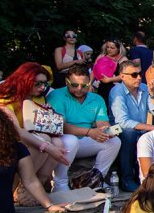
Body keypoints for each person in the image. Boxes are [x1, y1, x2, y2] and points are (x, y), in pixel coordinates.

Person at [0, 63, 69, 186]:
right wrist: (47, 147)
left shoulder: (36, 98)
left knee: (58, 142)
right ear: (24, 80)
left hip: (18, 140)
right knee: (44, 140)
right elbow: (17, 131)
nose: (42, 88)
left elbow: (49, 127)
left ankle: (38, 183)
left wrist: (47, 115)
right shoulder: (4, 98)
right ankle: (21, 186)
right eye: (38, 83)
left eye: (45, 84)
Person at [47, 64, 121, 192]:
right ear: (67, 82)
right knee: (71, 140)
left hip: (85, 140)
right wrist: (89, 132)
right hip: (64, 141)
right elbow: (60, 126)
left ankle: (96, 179)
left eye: (84, 86)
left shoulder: (97, 99)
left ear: (89, 83)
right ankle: (60, 183)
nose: (79, 89)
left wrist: (108, 131)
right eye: (75, 85)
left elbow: (102, 122)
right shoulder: (56, 96)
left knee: (114, 141)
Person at [109, 61, 154, 191]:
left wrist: (153, 94)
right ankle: (126, 179)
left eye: (140, 74)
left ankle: (148, 178)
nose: (139, 77)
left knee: (147, 132)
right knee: (129, 132)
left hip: (138, 126)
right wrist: (149, 127)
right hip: (113, 127)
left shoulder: (145, 88)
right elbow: (122, 121)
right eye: (134, 75)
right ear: (122, 76)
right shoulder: (117, 92)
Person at [92, 39, 128, 104]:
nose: (109, 49)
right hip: (102, 87)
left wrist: (110, 79)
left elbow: (126, 75)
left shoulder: (123, 59)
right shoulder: (101, 57)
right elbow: (94, 71)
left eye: (112, 48)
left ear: (118, 49)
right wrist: (89, 83)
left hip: (116, 87)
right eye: (107, 47)